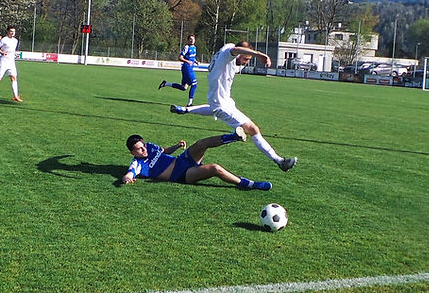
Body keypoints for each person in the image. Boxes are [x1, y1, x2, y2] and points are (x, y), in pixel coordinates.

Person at [170, 41, 297, 172]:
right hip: (221, 104)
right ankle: (279, 161)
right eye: (246, 58)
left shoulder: (225, 54)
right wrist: (259, 54)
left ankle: (186, 110)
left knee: (218, 111)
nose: (246, 62)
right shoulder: (228, 53)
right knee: (253, 129)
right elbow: (235, 49)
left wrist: (187, 110)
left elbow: (212, 109)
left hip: (223, 102)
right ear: (240, 53)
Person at [121, 132, 271, 190]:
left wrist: (177, 146)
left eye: (143, 146)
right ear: (132, 152)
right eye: (139, 149)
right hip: (183, 175)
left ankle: (234, 136)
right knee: (215, 168)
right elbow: (130, 172)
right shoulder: (138, 163)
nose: (144, 150)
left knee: (200, 144)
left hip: (181, 160)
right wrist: (127, 178)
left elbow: (163, 151)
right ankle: (249, 184)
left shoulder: (151, 147)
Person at [159, 34, 198, 106]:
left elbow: (191, 56)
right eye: (190, 39)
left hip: (189, 68)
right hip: (187, 68)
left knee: (184, 87)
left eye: (193, 39)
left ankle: (166, 84)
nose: (192, 40)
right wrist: (187, 61)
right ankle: (189, 103)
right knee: (194, 84)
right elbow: (180, 58)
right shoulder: (186, 47)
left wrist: (195, 61)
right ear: (188, 40)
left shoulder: (194, 48)